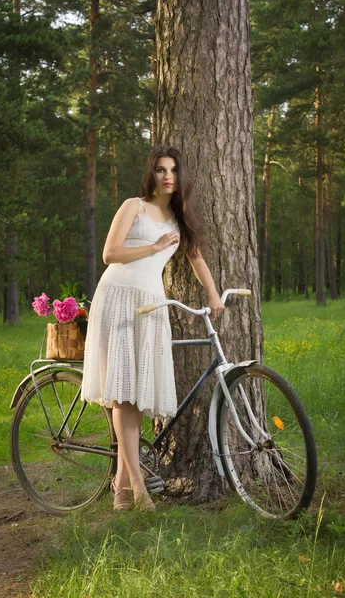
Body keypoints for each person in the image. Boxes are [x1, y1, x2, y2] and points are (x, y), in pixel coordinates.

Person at [81, 145, 224, 512]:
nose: (167, 176)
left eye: (173, 170)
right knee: (123, 395)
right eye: (161, 169)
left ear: (180, 176)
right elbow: (110, 253)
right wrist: (155, 246)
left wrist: (213, 295)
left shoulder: (179, 220)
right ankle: (139, 489)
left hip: (151, 305)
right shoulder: (134, 206)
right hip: (118, 298)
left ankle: (119, 488)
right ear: (153, 174)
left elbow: (196, 258)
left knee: (138, 399)